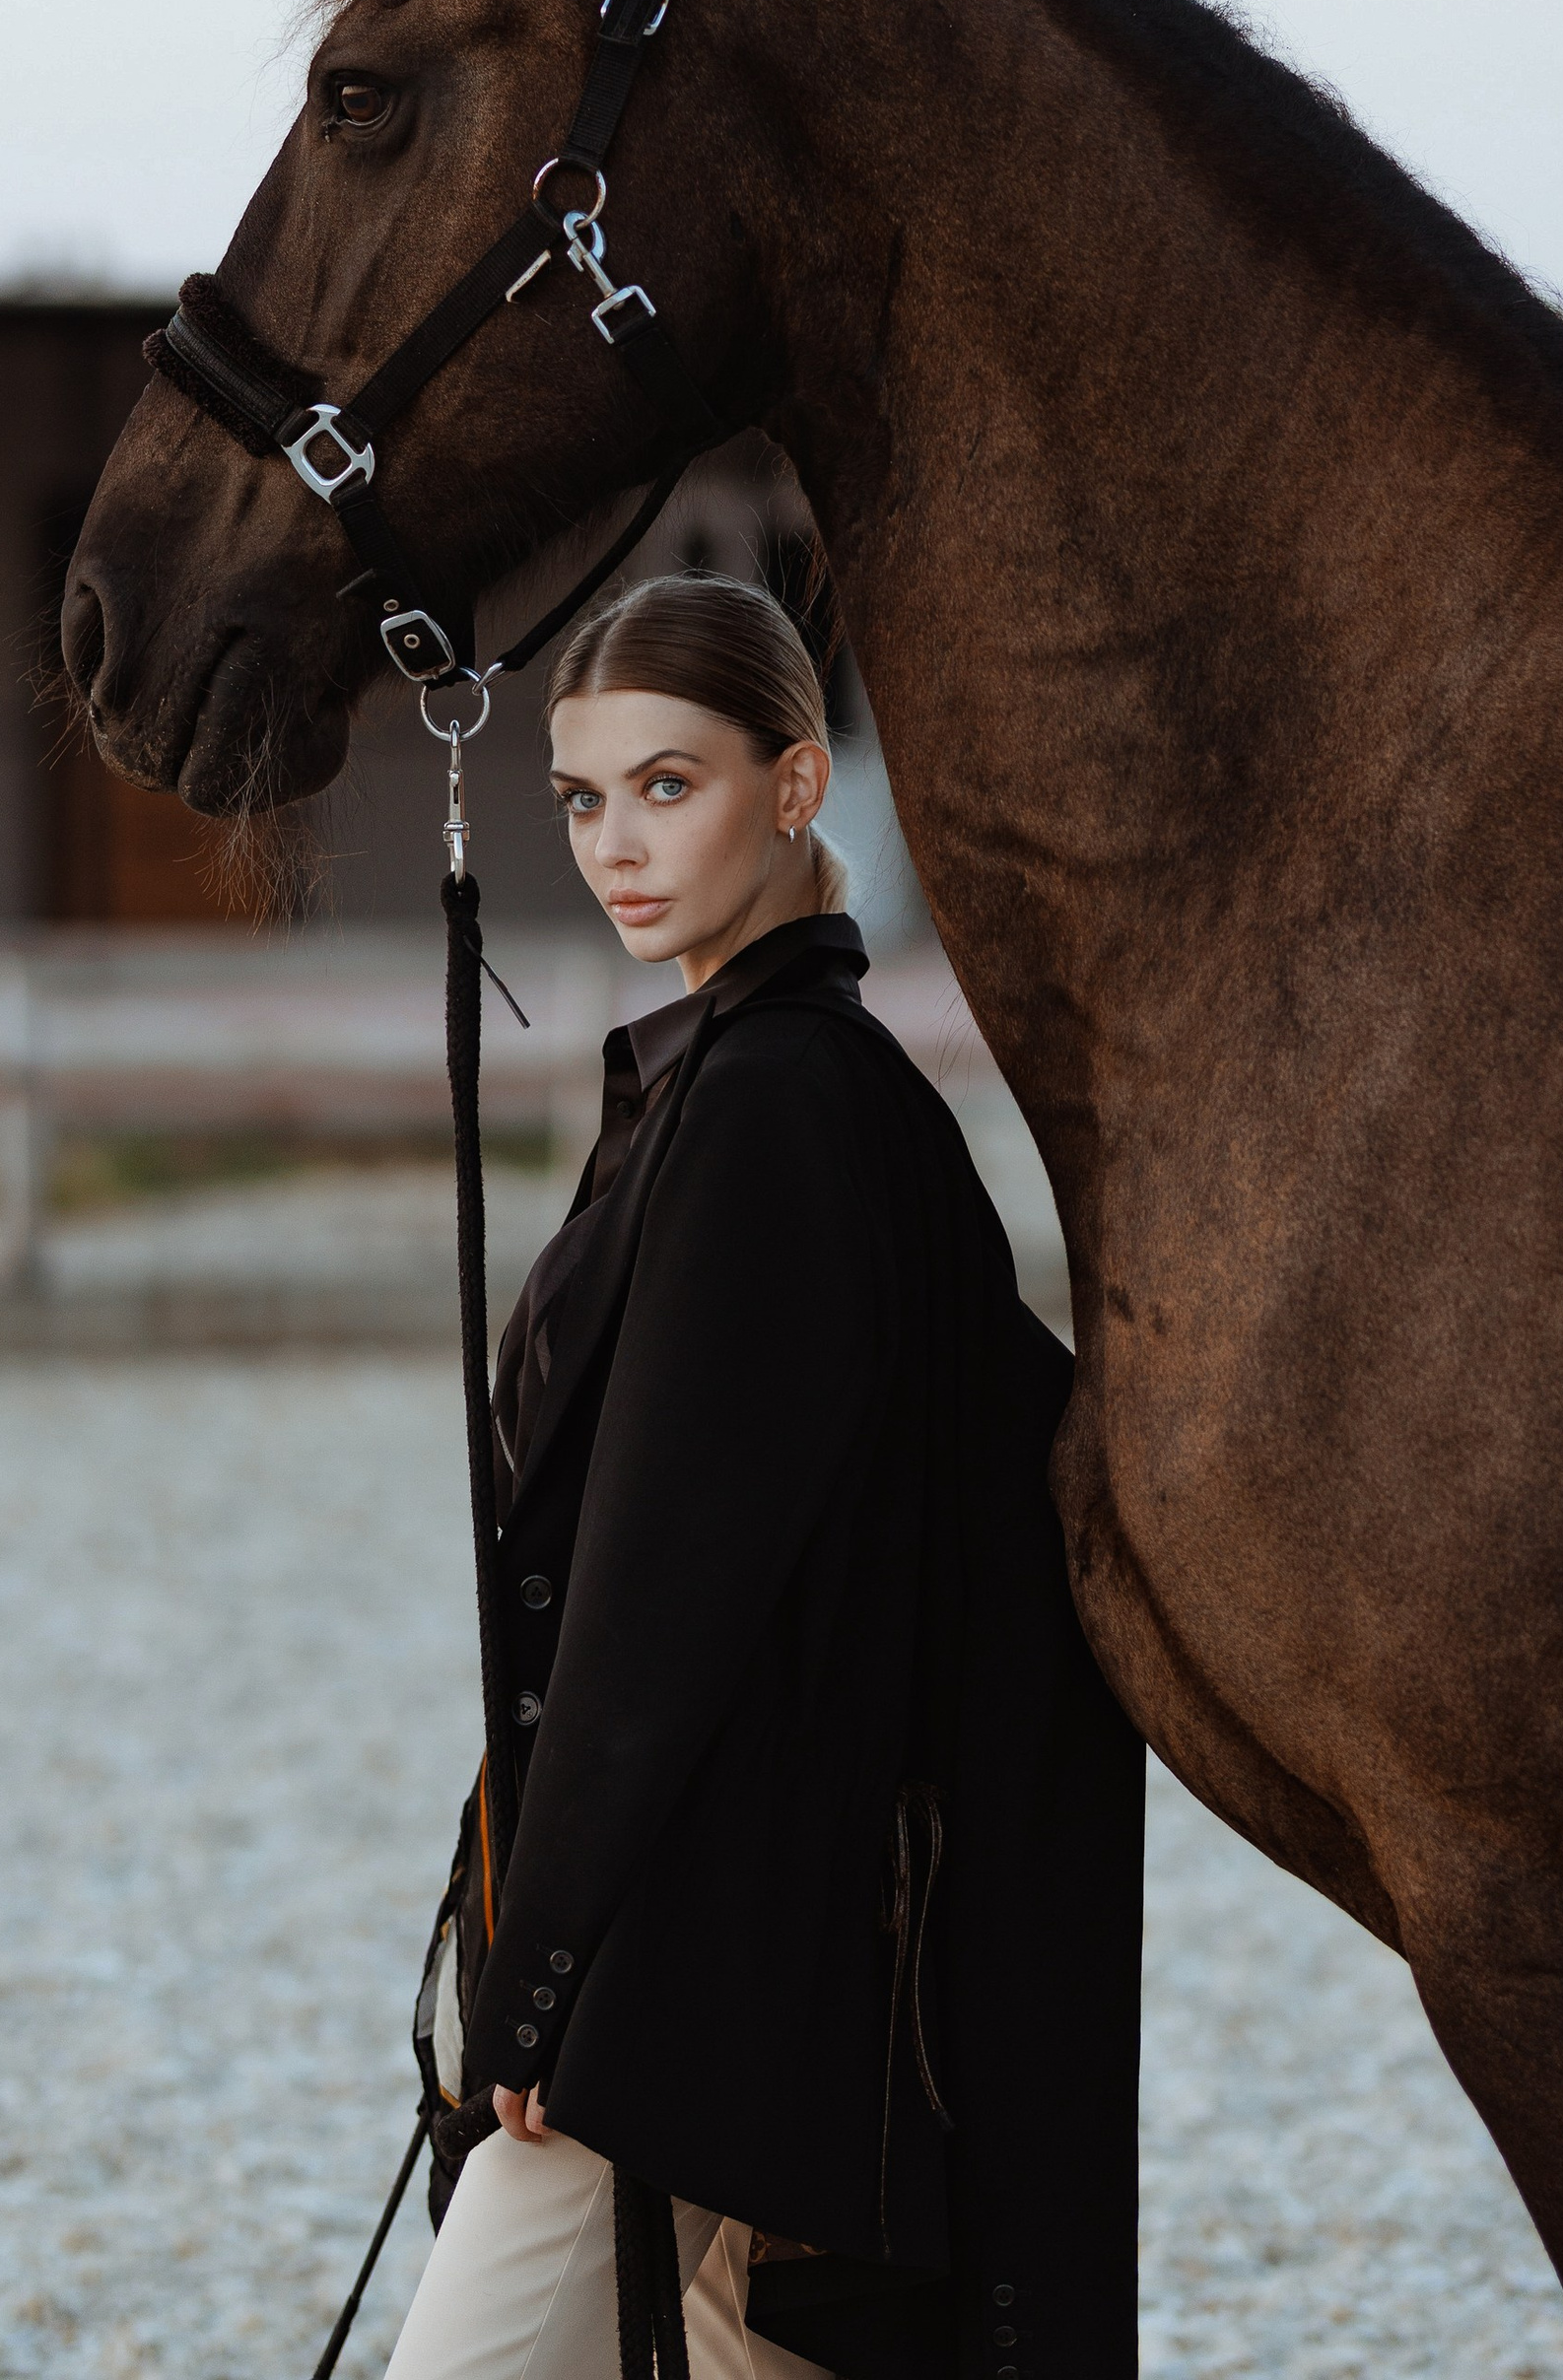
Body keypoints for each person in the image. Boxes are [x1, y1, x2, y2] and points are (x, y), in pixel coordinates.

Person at [382, 573, 1143, 2380]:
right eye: (580, 799)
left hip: (695, 1970)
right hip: (757, 1964)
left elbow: (665, 1596)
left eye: (670, 784)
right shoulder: (751, 1080)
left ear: (797, 784)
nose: (615, 845)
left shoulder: (784, 1104)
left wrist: (539, 1975)